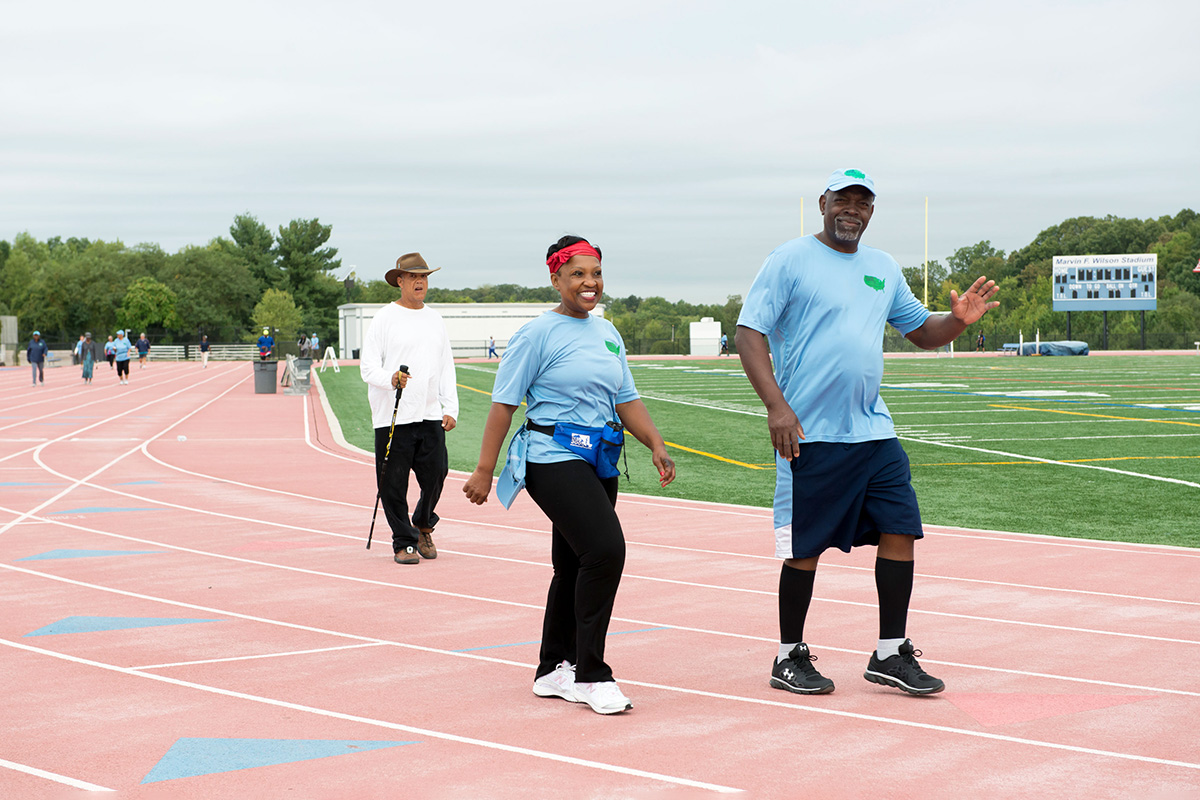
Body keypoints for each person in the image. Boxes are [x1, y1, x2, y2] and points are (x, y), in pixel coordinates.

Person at [735, 168, 998, 698]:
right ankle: (789, 657)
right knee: (804, 547)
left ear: (872, 211)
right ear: (823, 202)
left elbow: (923, 332)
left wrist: (959, 322)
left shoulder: (882, 267)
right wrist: (776, 407)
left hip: (874, 432)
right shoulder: (789, 259)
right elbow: (749, 331)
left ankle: (888, 653)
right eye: (843, 199)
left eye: (863, 202)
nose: (852, 209)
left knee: (901, 530)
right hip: (810, 432)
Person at [463, 235, 676, 716]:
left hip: (598, 456)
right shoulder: (537, 334)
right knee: (605, 551)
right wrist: (483, 469)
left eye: (596, 274)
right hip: (550, 455)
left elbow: (626, 397)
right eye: (578, 274)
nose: (589, 283)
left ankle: (551, 669)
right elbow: (503, 403)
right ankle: (590, 673)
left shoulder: (607, 333)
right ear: (556, 278)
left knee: (574, 565)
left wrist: (656, 444)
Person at [360, 253, 459, 565]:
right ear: (399, 281)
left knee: (437, 474)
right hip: (393, 416)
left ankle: (423, 524)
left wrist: (451, 406)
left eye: (424, 277)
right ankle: (404, 542)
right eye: (414, 277)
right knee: (393, 483)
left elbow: (446, 366)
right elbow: (367, 368)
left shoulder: (435, 319)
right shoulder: (383, 319)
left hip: (429, 413)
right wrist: (390, 379)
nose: (420, 282)